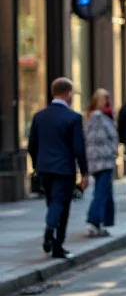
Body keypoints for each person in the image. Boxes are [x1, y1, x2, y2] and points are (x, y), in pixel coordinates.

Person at [28, 77, 89, 259]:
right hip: (64, 170)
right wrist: (84, 172)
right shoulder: (73, 118)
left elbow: (32, 145)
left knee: (52, 203)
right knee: (61, 205)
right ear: (69, 94)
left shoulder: (39, 116)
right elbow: (78, 147)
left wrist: (37, 165)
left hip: (44, 168)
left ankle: (55, 241)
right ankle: (53, 236)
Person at [83, 89, 118, 237]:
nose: (105, 103)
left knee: (105, 192)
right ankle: (94, 221)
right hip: (102, 161)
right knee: (101, 192)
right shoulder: (97, 118)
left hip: (103, 161)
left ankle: (99, 222)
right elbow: (96, 140)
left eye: (107, 100)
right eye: (103, 100)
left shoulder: (99, 117)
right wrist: (112, 151)